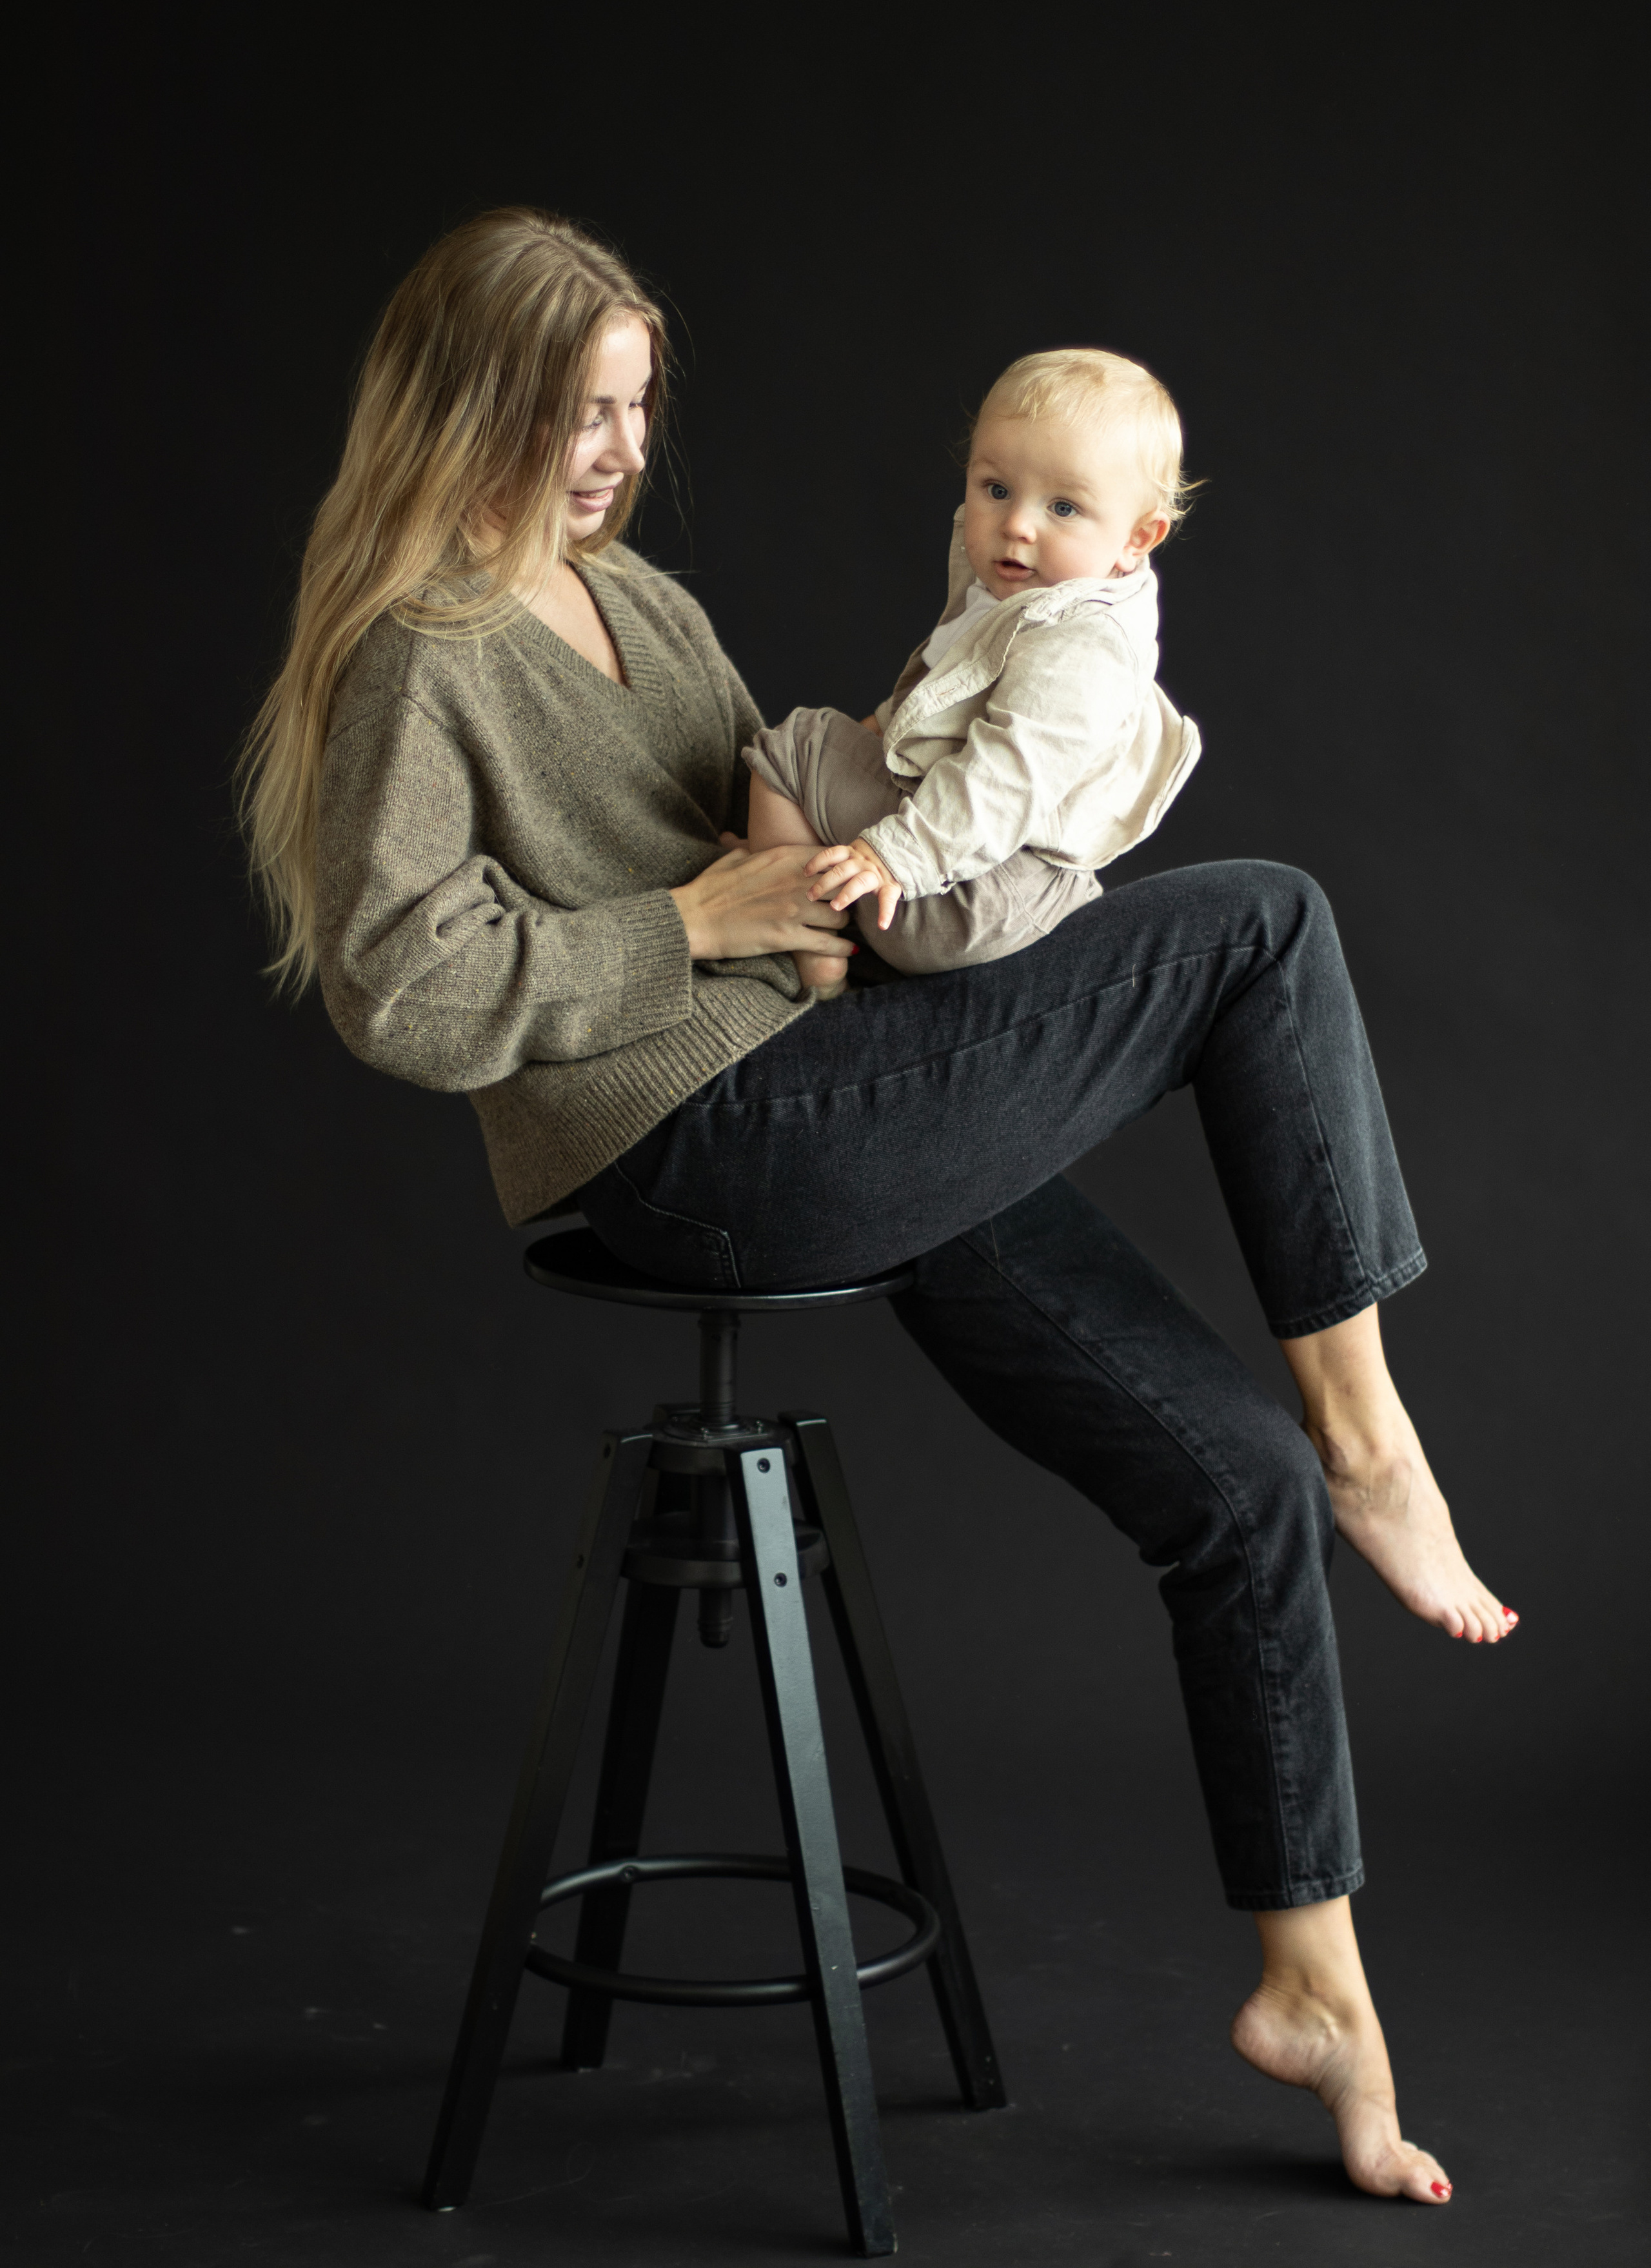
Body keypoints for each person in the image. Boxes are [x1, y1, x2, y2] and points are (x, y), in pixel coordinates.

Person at [242, 205, 1519, 2210]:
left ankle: (1312, 1989)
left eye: (636, 410)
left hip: (818, 1093)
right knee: (1262, 927)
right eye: (577, 410)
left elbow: (801, 817)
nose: (614, 452)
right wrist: (698, 920)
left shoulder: (636, 605)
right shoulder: (424, 650)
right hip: (693, 1147)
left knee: (1228, 1476)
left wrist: (846, 889)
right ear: (465, 403)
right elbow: (401, 980)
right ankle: (1383, 1433)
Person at [744, 349, 1202, 990]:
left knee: (793, 749)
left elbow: (1007, 780)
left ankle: (808, 939)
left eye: (1063, 508)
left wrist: (890, 857)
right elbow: (934, 703)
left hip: (965, 895)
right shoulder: (1031, 595)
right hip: (1001, 885)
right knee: (843, 748)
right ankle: (799, 866)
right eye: (996, 489)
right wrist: (862, 751)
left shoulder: (1081, 648)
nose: (1015, 525)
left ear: (1138, 538)